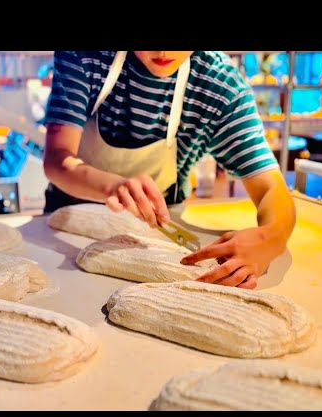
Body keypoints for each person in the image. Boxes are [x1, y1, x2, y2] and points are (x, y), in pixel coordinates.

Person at [43, 51, 296, 289]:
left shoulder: (220, 88)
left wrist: (270, 239)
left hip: (159, 236)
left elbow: (271, 188)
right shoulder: (86, 57)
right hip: (65, 224)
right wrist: (111, 186)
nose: (163, 52)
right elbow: (57, 159)